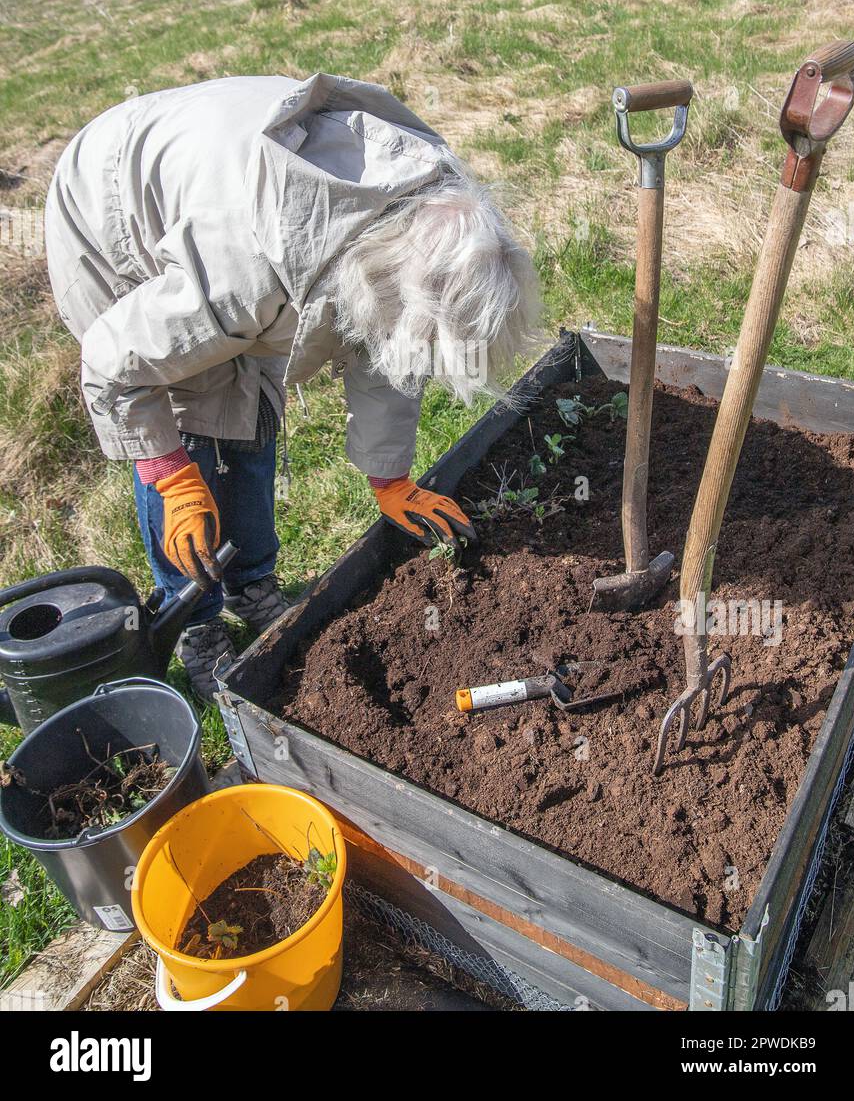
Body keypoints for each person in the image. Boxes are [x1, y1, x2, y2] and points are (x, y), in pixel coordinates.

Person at [45, 73, 540, 697]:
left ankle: (251, 583)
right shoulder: (239, 267)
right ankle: (194, 617)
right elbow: (117, 365)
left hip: (226, 192)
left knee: (248, 406)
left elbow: (388, 349)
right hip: (110, 207)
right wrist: (171, 475)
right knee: (185, 414)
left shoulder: (424, 209)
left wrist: (390, 478)